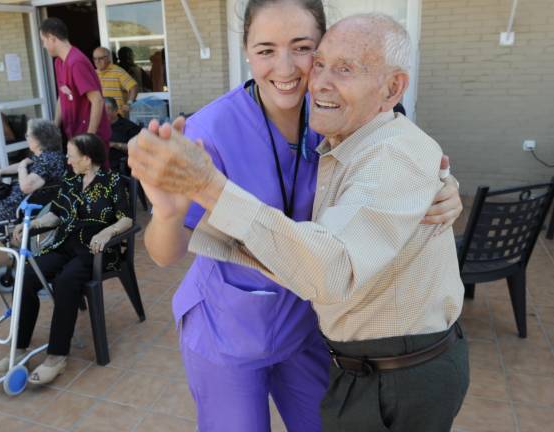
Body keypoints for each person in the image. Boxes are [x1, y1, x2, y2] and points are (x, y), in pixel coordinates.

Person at [125, 1, 463, 430]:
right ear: (246, 51)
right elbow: (163, 255)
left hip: (308, 325)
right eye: (265, 50)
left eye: (302, 48)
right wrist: (168, 214)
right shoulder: (208, 132)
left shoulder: (333, 113)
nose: (285, 68)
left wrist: (442, 188)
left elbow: (392, 157)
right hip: (228, 330)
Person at [0, 133, 132, 385]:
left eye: (71, 155)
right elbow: (55, 214)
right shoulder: (71, 180)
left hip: (96, 250)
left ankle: (57, 356)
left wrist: (107, 231)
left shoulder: (112, 181)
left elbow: (126, 218)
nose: (67, 160)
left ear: (87, 159)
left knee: (66, 282)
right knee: (27, 277)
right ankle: (19, 349)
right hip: (66, 243)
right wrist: (33, 224)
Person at [0, 118, 66, 233]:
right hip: (16, 200)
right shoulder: (45, 155)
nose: (26, 138)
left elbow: (26, 187)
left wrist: (22, 167)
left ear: (38, 138)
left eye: (28, 135)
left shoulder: (48, 160)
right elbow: (23, 165)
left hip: (17, 207)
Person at [39, 17, 111, 170]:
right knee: (80, 183)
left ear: (52, 38)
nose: (43, 46)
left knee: (97, 185)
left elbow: (97, 101)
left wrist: (89, 139)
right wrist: (54, 127)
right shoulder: (59, 62)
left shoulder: (76, 62)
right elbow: (62, 96)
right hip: (75, 135)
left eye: (44, 41)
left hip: (90, 137)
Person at [93, 47, 138, 116]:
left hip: (117, 116)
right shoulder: (93, 74)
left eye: (100, 58)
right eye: (95, 59)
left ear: (108, 58)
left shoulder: (118, 71)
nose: (97, 61)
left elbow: (133, 87)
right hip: (100, 116)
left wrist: (129, 103)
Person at [104, 97, 140, 171]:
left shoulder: (130, 127)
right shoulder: (97, 126)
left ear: (116, 110)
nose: (105, 112)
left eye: (108, 109)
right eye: (103, 110)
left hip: (120, 169)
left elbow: (137, 149)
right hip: (98, 167)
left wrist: (115, 145)